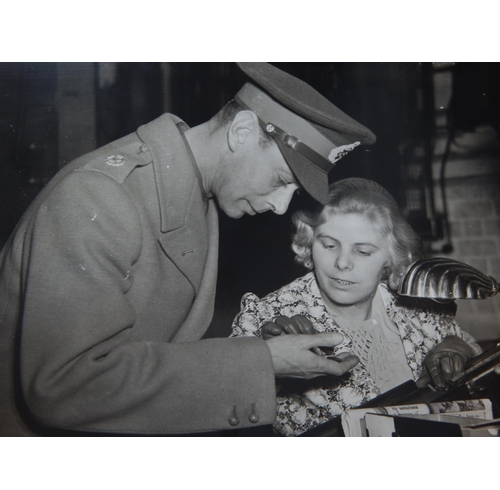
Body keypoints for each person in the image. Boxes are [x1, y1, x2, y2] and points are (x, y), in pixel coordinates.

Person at [0, 63, 376, 436]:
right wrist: (260, 362)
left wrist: (267, 351)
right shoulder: (100, 196)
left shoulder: (195, 193)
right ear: (242, 131)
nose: (280, 207)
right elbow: (66, 386)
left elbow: (155, 344)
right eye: (281, 180)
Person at [231, 178, 482, 436]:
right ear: (309, 243)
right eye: (329, 245)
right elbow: (225, 410)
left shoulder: (419, 306)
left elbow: (468, 343)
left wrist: (453, 348)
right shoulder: (264, 316)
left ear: (390, 257)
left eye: (362, 252)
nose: (342, 263)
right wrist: (270, 366)